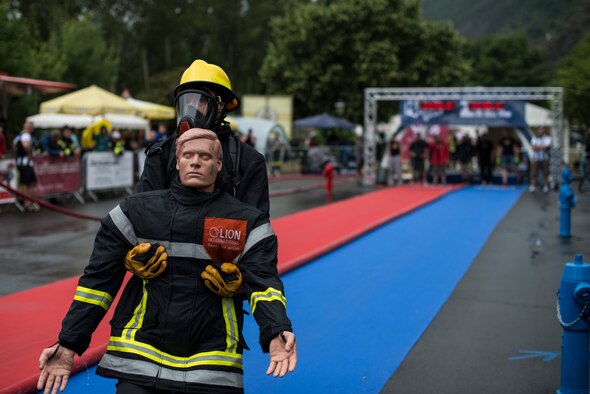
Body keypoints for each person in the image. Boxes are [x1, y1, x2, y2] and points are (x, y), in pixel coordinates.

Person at [37, 128, 297, 394]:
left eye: (205, 156)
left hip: (212, 362)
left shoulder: (247, 222)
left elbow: (264, 284)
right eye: (188, 155)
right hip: (140, 357)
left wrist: (275, 330)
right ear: (177, 162)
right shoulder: (134, 212)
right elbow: (97, 283)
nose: (195, 161)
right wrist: (68, 343)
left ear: (219, 165)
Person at [13, 121, 39, 212]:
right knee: (27, 183)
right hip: (26, 163)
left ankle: (25, 200)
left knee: (29, 182)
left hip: (23, 162)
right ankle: (27, 202)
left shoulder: (19, 135)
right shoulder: (26, 135)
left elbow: (14, 146)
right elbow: (26, 145)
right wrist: (30, 154)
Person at [529, 127, 552, 192]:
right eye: (539, 130)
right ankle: (533, 185)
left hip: (544, 158)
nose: (540, 132)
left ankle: (546, 186)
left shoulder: (548, 138)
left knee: (546, 173)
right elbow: (533, 147)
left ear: (544, 131)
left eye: (541, 130)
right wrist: (541, 147)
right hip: (536, 158)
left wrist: (538, 147)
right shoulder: (534, 138)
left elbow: (546, 147)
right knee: (533, 173)